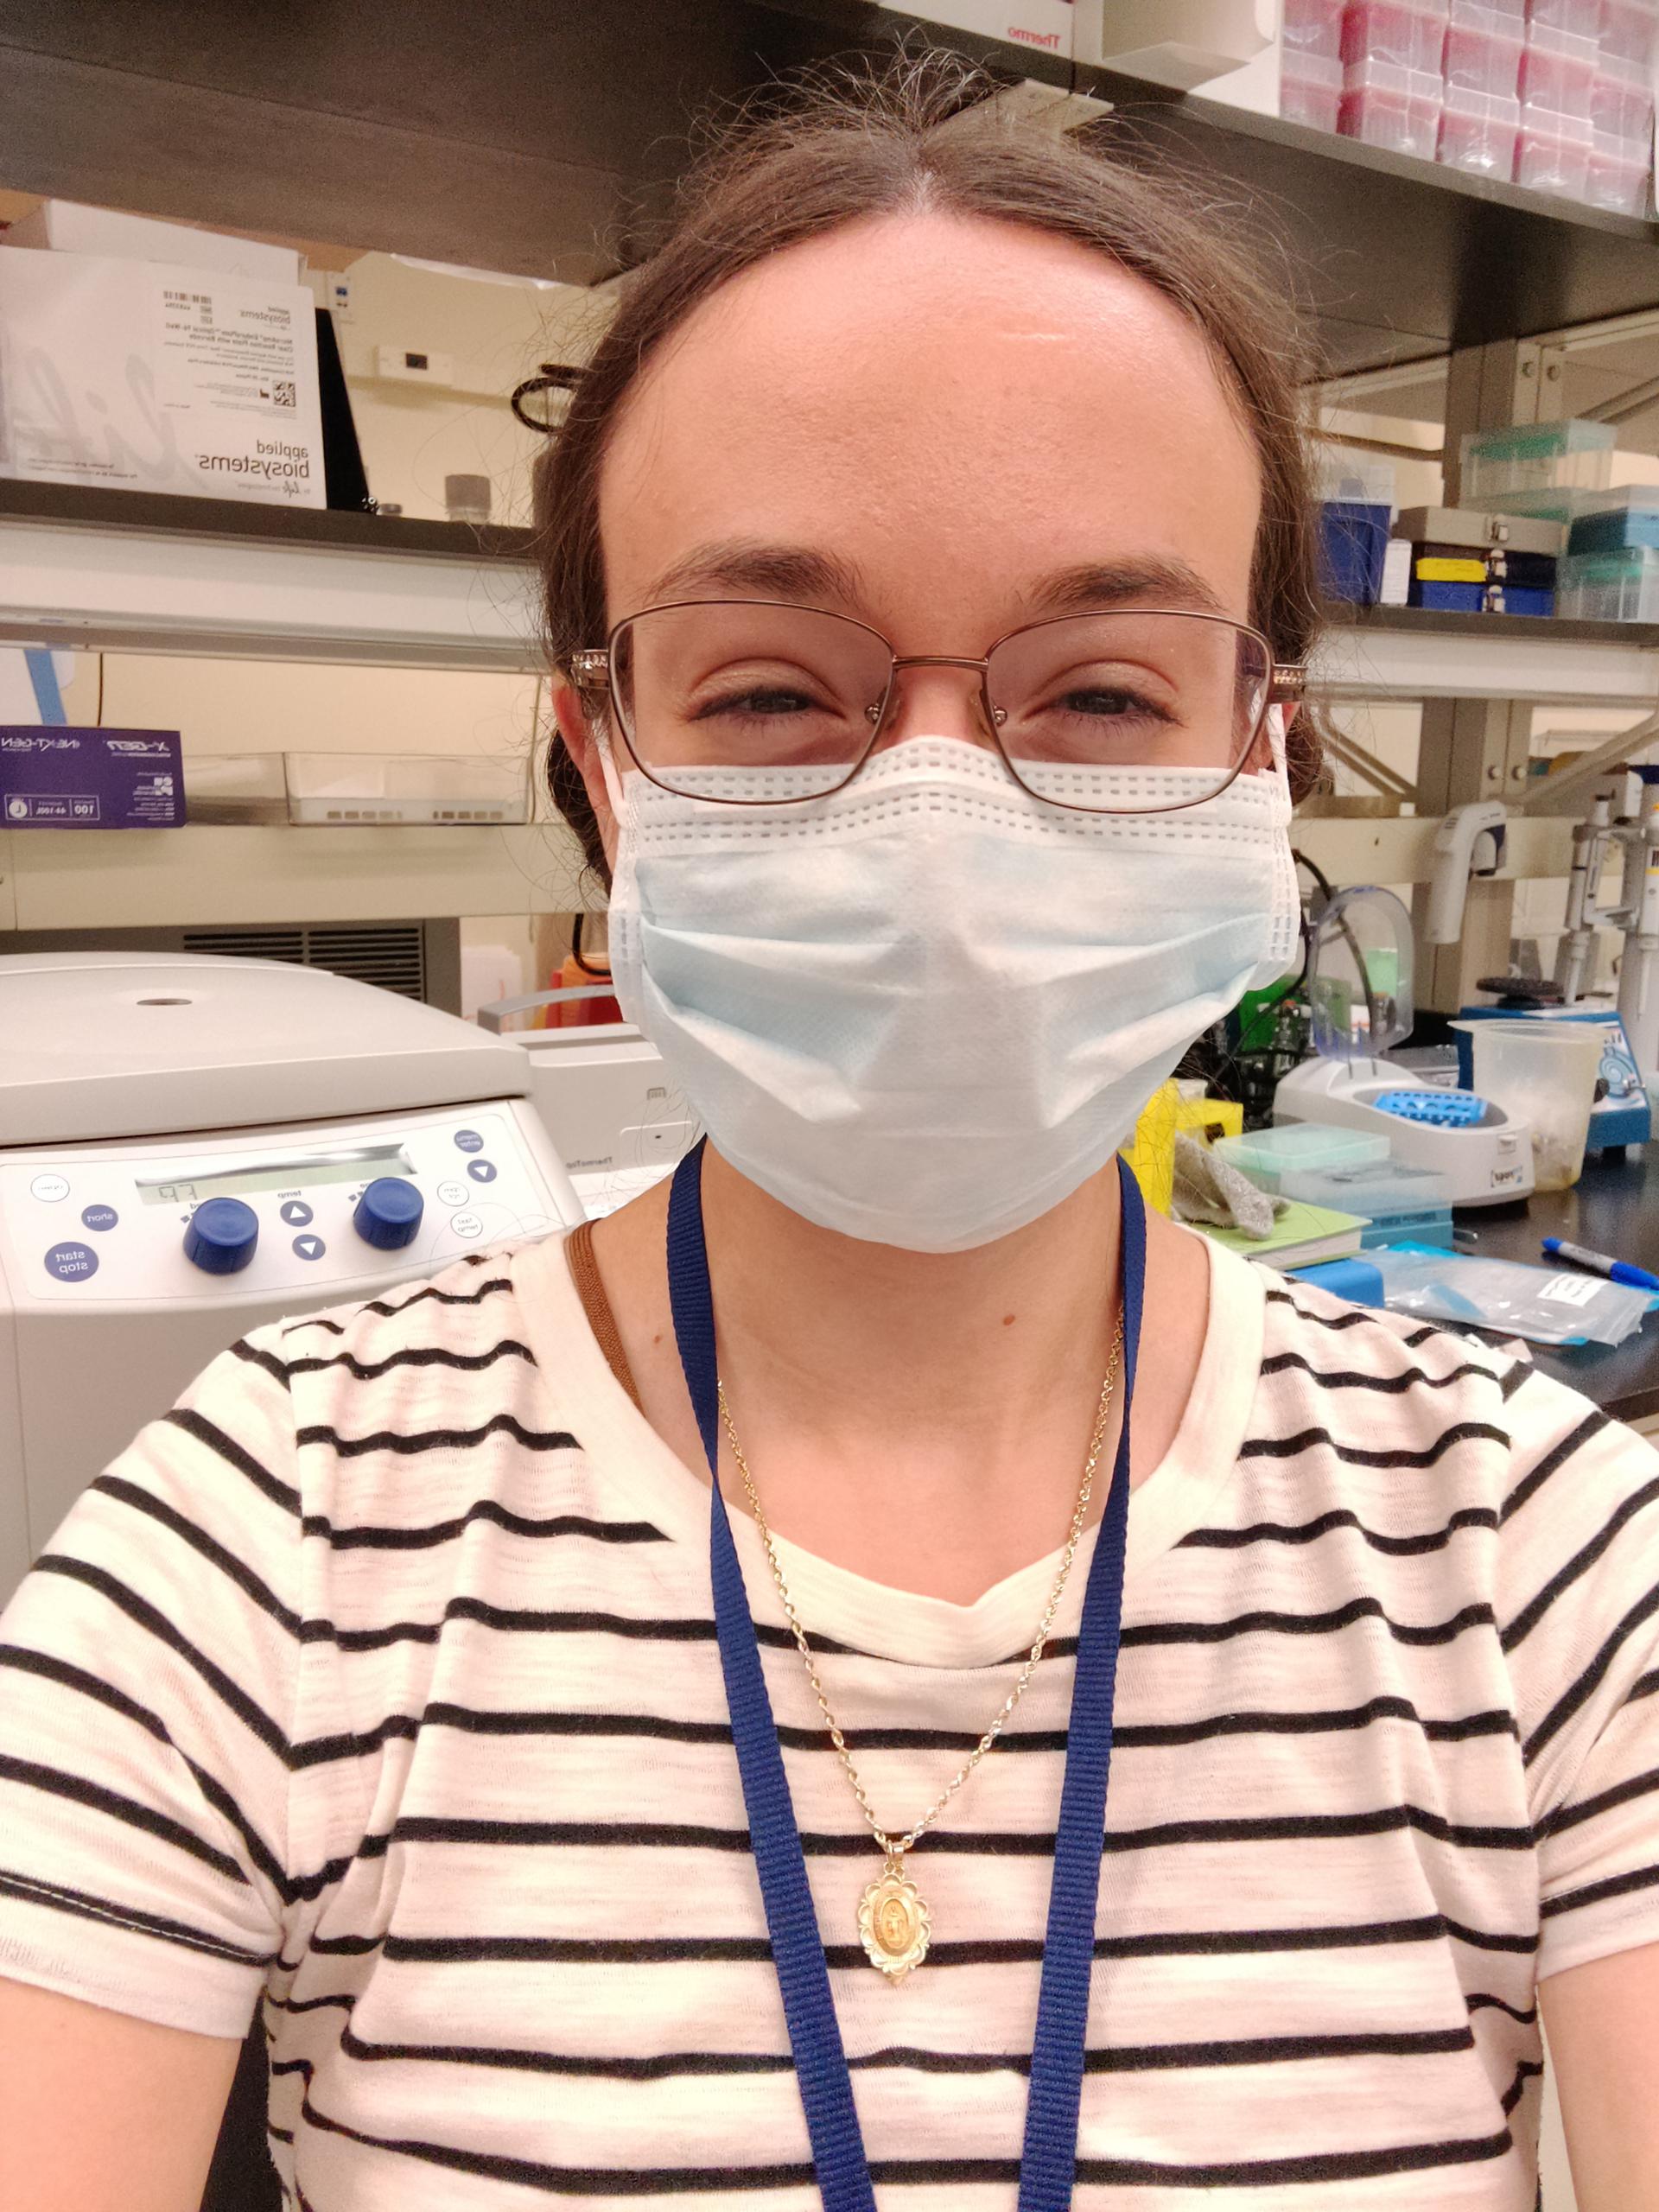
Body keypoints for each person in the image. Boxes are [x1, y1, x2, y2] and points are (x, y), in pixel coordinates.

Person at [3, 57, 1657, 2212]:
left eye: (1103, 688)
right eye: (776, 689)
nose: (936, 823)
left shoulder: (1535, 1554)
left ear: (1267, 754)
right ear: (603, 758)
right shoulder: (266, 1533)